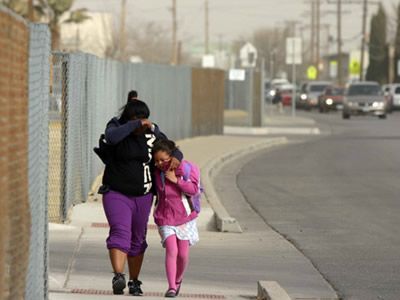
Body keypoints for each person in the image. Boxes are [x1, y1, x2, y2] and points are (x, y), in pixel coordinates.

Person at [98, 100, 183, 296]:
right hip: (116, 192)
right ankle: (118, 276)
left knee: (138, 238)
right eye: (137, 119)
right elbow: (111, 138)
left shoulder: (152, 135)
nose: (142, 123)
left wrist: (177, 156)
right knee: (120, 232)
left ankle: (134, 281)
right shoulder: (116, 127)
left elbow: (171, 148)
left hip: (143, 195)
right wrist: (133, 125)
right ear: (129, 118)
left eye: (143, 118)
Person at [152, 139, 200, 298]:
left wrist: (176, 180)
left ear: (171, 157)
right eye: (156, 160)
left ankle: (178, 280)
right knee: (172, 250)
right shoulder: (156, 172)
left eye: (162, 160)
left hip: (184, 217)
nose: (159, 163)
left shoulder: (186, 168)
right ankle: (171, 287)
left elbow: (193, 190)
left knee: (183, 255)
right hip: (165, 217)